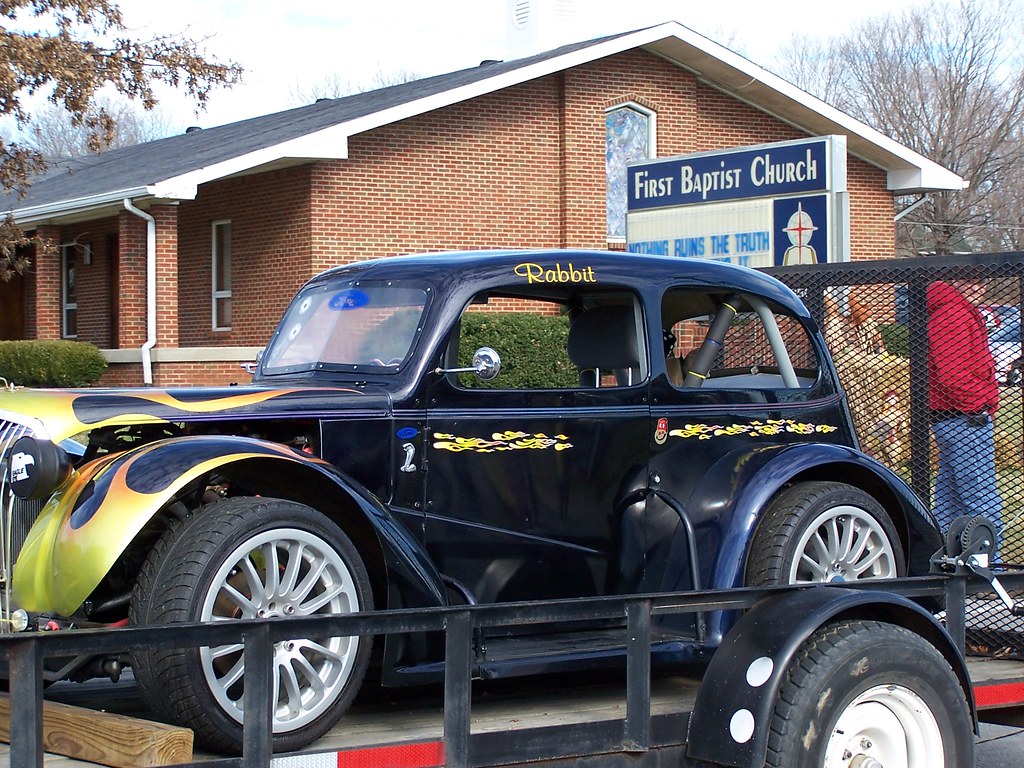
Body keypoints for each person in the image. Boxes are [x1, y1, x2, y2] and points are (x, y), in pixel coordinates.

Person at [927, 279, 1003, 553]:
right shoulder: (953, 313)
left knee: (951, 498)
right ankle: (990, 567)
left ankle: (945, 561)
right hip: (965, 419)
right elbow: (953, 376)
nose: (981, 288)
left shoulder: (950, 310)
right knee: (981, 497)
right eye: (974, 282)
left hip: (953, 417)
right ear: (958, 282)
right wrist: (980, 403)